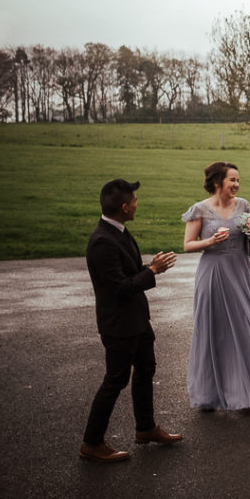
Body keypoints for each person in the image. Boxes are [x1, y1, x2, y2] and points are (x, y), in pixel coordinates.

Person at [79, 179, 182, 463]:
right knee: (115, 380)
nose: (137, 204)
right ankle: (92, 442)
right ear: (124, 207)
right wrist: (151, 271)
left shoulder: (120, 232)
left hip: (137, 320)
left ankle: (146, 428)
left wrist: (147, 268)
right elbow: (119, 289)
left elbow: (127, 273)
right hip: (119, 325)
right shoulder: (102, 241)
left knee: (146, 369)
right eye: (134, 201)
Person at [182, 161, 250, 411]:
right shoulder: (200, 210)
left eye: (238, 180)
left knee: (249, 327)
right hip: (212, 273)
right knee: (214, 329)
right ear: (218, 183)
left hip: (240, 272)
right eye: (232, 180)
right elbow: (187, 244)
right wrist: (210, 240)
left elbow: (249, 244)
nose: (237, 185)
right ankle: (209, 394)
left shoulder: (244, 205)